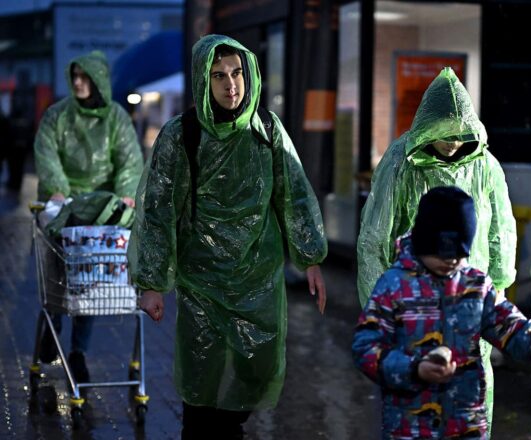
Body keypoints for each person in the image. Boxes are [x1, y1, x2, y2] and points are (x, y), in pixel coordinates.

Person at [128, 34, 328, 439]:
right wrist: (151, 283)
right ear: (204, 80)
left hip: (258, 278)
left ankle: (227, 429)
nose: (231, 84)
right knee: (203, 383)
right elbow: (158, 211)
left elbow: (294, 195)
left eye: (237, 73)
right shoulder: (181, 134)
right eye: (218, 75)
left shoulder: (266, 129)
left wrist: (310, 258)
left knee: (257, 367)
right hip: (201, 280)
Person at [356, 66, 517, 426]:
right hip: (412, 301)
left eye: (460, 133)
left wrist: (500, 289)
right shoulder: (401, 162)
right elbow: (374, 239)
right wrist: (378, 313)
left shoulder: (485, 166)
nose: (453, 140)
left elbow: (500, 232)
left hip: (468, 302)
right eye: (444, 131)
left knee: (468, 400)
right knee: (415, 394)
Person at [353, 186, 531, 439]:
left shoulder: (475, 286)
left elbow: (511, 328)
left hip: (465, 426)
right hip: (408, 429)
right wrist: (413, 369)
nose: (450, 261)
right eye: (440, 252)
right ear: (422, 242)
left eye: (459, 254)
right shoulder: (393, 286)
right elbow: (365, 347)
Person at [33, 50, 144, 382]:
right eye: (75, 76)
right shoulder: (57, 117)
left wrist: (125, 194)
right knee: (58, 274)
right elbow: (47, 154)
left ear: (99, 80)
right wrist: (58, 192)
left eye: (85, 76)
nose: (79, 82)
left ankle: (77, 350)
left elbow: (129, 160)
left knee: (90, 281)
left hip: (100, 209)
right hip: (65, 207)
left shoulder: (116, 119)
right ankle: (53, 330)